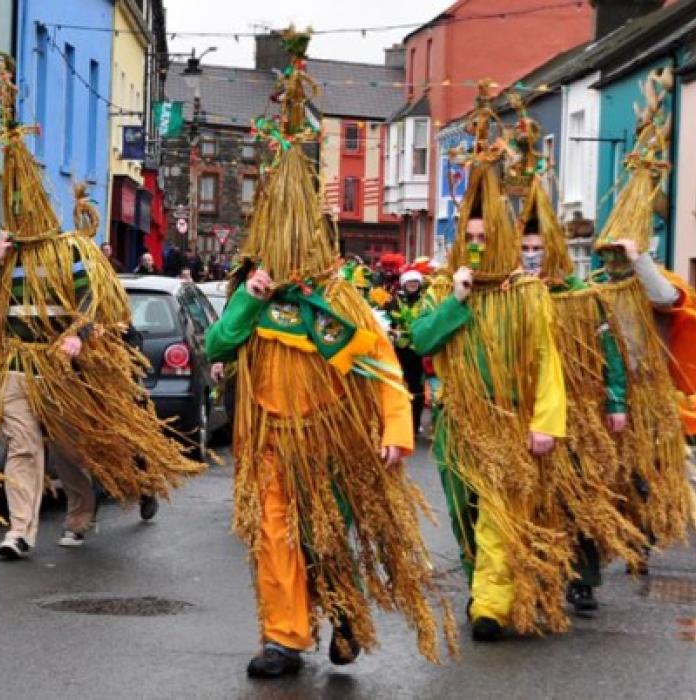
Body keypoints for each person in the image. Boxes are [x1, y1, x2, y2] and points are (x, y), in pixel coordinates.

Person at [206, 31, 454, 679]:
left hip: (327, 442)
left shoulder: (342, 305)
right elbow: (217, 346)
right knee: (275, 539)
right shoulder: (252, 298)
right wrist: (249, 298)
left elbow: (384, 374)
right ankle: (284, 637)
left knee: (322, 541)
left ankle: (343, 615)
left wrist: (398, 432)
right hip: (270, 443)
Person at [0, 66, 201, 560]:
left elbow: (93, 300)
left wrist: (79, 333)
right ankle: (20, 532)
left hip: (62, 366)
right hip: (17, 367)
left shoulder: (68, 251)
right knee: (24, 449)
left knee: (71, 448)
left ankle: (81, 511)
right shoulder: (5, 257)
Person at [411, 80, 574, 643]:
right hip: (460, 424)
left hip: (508, 424)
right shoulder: (445, 290)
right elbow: (421, 341)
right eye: (469, 238)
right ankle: (482, 581)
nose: (477, 247)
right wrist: (454, 300)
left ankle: (489, 605)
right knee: (466, 514)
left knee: (499, 520)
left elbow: (546, 361)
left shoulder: (525, 295)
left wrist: (545, 423)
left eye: (485, 238)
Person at [513, 113, 645, 614]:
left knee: (581, 493)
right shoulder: (513, 298)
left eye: (537, 248)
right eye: (523, 249)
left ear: (555, 250)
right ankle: (538, 569)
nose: (530, 256)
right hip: (529, 412)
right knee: (536, 496)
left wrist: (615, 402)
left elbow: (611, 353)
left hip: (582, 411)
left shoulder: (582, 298)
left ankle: (582, 575)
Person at [586, 67, 694, 574]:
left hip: (648, 391)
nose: (610, 263)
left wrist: (639, 260)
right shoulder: (596, 290)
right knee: (606, 474)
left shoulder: (657, 277)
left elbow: (667, 297)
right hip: (607, 393)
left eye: (616, 256)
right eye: (607, 256)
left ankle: (642, 534)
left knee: (644, 471)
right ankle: (608, 543)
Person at [386, 269, 426, 435]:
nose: (412, 285)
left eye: (415, 283)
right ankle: (398, 424)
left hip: (418, 349)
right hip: (400, 349)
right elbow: (387, 319)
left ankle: (415, 424)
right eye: (410, 283)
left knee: (417, 388)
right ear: (404, 284)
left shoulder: (424, 301)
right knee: (399, 385)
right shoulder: (395, 300)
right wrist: (392, 330)